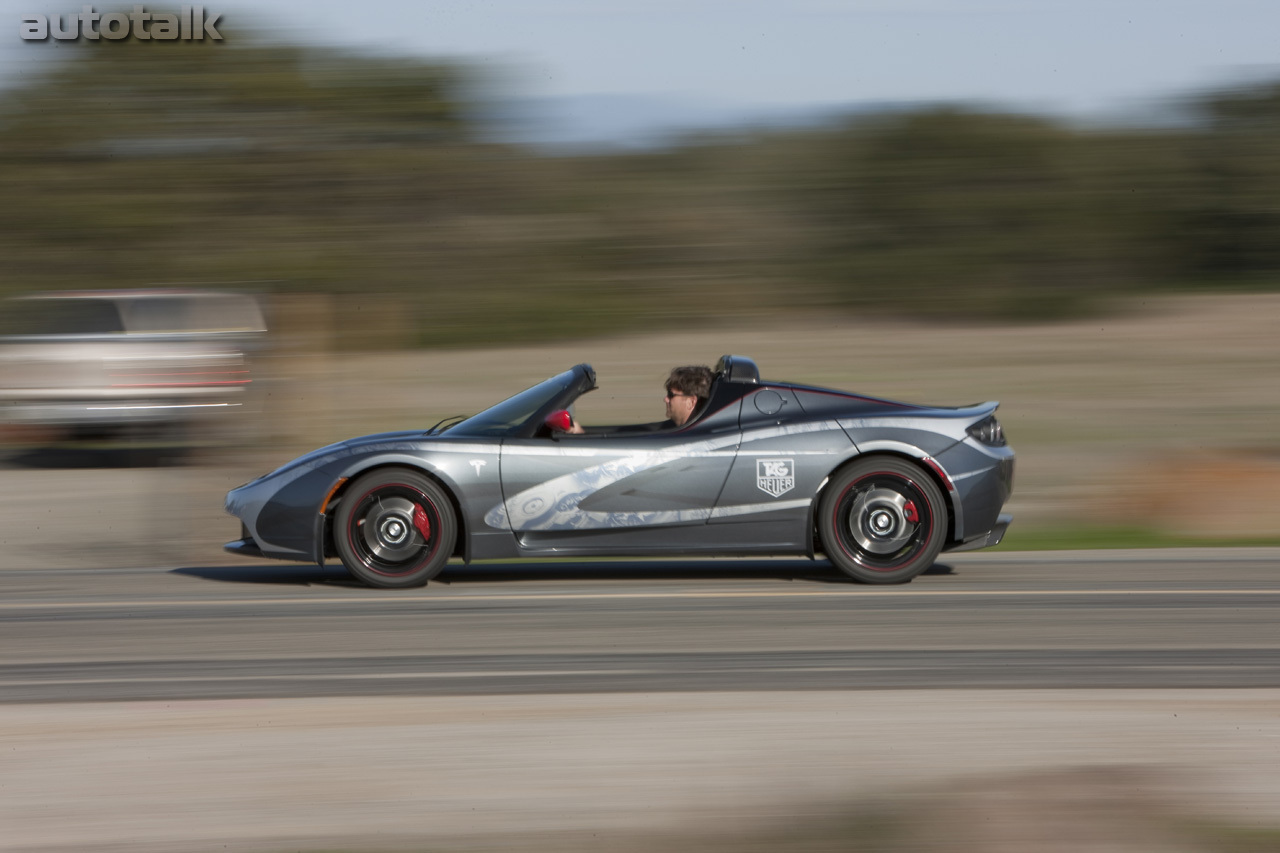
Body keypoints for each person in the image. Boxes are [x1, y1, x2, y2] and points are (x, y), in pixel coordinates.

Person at [568, 364, 713, 433]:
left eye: (671, 395)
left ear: (691, 402)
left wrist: (580, 435)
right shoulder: (676, 431)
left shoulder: (691, 438)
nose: (666, 399)